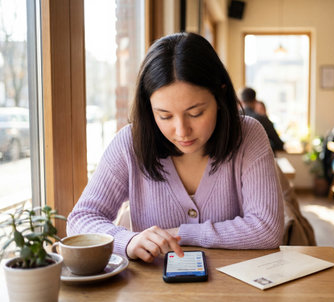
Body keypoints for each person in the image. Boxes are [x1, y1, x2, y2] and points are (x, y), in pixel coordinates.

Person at [66, 32, 284, 263]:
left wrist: (179, 233)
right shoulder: (130, 142)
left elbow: (267, 228)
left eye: (195, 113)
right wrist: (128, 241)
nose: (182, 131)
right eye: (165, 116)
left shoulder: (248, 135)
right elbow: (81, 219)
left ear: (220, 95)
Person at [239, 87, 285, 152]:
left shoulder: (233, 118)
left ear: (241, 101)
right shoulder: (262, 119)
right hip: (261, 159)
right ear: (255, 100)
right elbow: (278, 144)